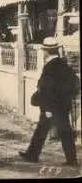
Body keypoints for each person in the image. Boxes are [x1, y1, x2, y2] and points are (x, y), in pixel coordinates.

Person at [19, 37, 80, 167]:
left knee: (56, 131)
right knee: (55, 130)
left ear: (46, 51)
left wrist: (48, 109)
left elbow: (47, 89)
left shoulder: (50, 67)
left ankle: (33, 155)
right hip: (62, 105)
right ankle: (70, 159)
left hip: (51, 106)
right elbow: (76, 84)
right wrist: (67, 97)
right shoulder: (64, 65)